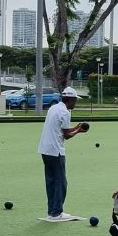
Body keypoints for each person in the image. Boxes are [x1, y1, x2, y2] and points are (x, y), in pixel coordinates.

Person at [37, 86, 88, 221]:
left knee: (51, 181)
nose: (75, 103)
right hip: (56, 151)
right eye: (75, 100)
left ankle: (51, 211)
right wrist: (78, 131)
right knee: (61, 182)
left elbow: (62, 129)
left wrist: (76, 127)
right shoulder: (65, 112)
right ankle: (57, 212)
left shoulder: (54, 108)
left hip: (44, 149)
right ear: (70, 100)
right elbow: (66, 135)